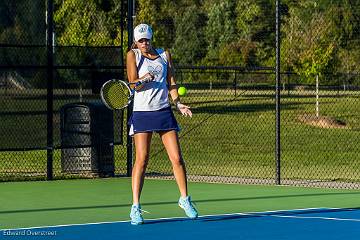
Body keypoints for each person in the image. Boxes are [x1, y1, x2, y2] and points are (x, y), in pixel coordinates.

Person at [126, 23, 198, 225]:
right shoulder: (133, 55)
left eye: (146, 39)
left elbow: (171, 82)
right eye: (140, 40)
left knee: (177, 158)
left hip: (164, 111)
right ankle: (135, 207)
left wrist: (178, 103)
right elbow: (132, 83)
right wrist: (143, 79)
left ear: (151, 38)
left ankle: (184, 199)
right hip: (142, 113)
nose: (144, 43)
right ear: (136, 41)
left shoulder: (164, 55)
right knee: (142, 159)